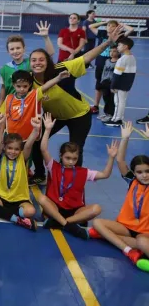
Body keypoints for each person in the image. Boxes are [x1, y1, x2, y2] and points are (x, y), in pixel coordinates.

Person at [27, 23, 122, 182]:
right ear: (29, 63)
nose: (37, 63)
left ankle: (74, 179)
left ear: (47, 62)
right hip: (54, 116)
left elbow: (86, 57)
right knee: (36, 140)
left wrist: (107, 42)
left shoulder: (61, 69)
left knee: (75, 148)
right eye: (34, 60)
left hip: (79, 115)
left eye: (41, 60)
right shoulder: (29, 80)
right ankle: (39, 174)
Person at [37, 113, 115, 238]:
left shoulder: (83, 172)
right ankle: (68, 225)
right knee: (41, 199)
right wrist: (47, 130)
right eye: (67, 158)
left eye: (74, 158)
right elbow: (43, 149)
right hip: (55, 207)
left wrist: (111, 158)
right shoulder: (53, 167)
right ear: (61, 156)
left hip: (75, 211)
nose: (71, 161)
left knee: (97, 209)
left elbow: (105, 174)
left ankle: (62, 222)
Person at [91, 125, 149, 272]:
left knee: (141, 241)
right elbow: (120, 160)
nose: (144, 175)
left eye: (148, 171)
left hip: (145, 232)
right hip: (126, 227)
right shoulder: (132, 181)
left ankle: (133, 245)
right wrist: (125, 138)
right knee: (98, 223)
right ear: (134, 173)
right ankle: (129, 251)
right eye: (140, 172)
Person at [0, 113, 40, 231]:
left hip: (20, 199)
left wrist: (35, 129)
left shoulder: (22, 159)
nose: (13, 152)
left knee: (31, 211)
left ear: (20, 150)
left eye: (16, 149)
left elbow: (28, 145)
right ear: (5, 148)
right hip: (2, 197)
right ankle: (16, 219)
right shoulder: (0, 157)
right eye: (10, 148)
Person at [105, 36, 136, 127]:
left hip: (119, 85)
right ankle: (119, 117)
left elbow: (117, 74)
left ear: (125, 46)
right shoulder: (132, 57)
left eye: (119, 45)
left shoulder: (122, 59)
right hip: (127, 84)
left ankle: (116, 119)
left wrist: (113, 86)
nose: (117, 47)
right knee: (122, 101)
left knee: (118, 102)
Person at [97, 46, 119, 123]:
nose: (112, 53)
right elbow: (104, 71)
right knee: (105, 98)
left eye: (114, 51)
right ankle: (106, 113)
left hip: (112, 83)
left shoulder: (119, 62)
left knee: (111, 99)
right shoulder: (107, 61)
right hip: (105, 82)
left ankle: (111, 114)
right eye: (110, 51)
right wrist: (102, 80)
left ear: (118, 52)